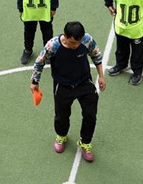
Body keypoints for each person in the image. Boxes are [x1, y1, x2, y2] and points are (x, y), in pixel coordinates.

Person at [30, 21, 105, 162]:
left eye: (78, 43)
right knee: (62, 115)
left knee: (90, 114)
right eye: (73, 43)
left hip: (84, 83)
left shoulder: (86, 40)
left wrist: (101, 76)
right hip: (63, 85)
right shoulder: (53, 45)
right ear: (65, 36)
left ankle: (85, 142)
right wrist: (35, 82)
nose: (76, 46)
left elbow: (96, 55)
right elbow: (39, 62)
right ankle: (61, 136)